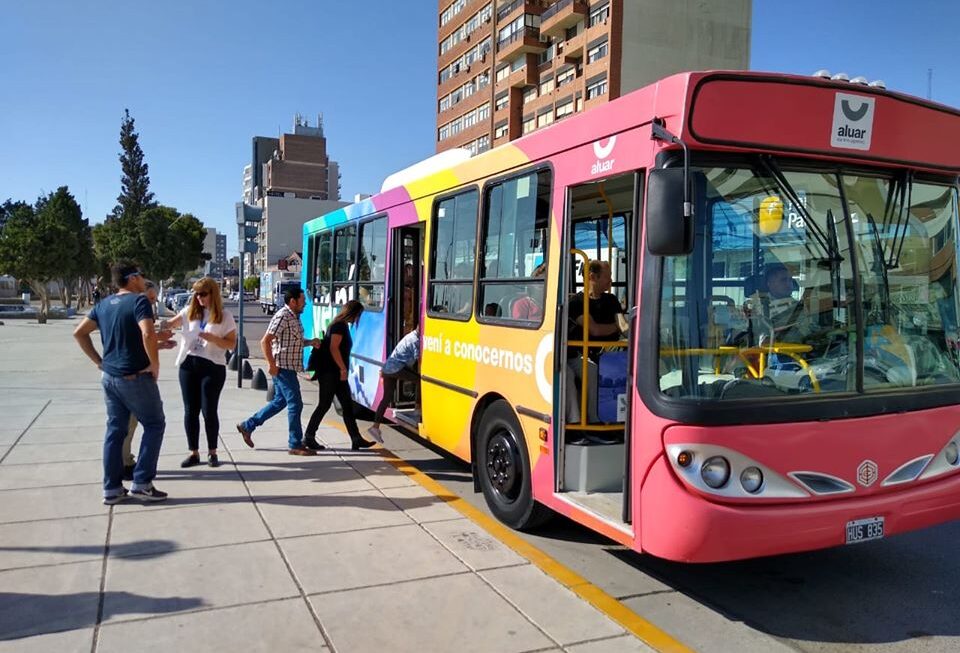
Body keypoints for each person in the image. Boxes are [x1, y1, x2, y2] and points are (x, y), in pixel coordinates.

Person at [73, 262, 167, 504]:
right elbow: (147, 333)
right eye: (141, 276)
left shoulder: (104, 304)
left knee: (115, 431)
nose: (144, 280)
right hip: (134, 376)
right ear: (132, 278)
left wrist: (99, 361)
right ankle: (142, 483)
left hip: (110, 377)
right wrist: (154, 364)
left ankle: (112, 489)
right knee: (154, 424)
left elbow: (79, 332)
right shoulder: (139, 301)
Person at [236, 286, 322, 455]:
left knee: (279, 402)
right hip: (282, 367)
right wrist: (271, 365)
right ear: (293, 301)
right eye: (302, 301)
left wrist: (310, 342)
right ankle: (295, 444)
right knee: (295, 404)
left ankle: (248, 426)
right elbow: (265, 341)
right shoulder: (283, 316)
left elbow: (293, 342)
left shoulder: (294, 317)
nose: (305, 304)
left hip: (288, 367)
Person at [163, 278, 237, 468]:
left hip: (212, 366)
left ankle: (212, 452)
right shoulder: (189, 312)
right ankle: (193, 452)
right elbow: (169, 324)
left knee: (209, 410)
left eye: (203, 294)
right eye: (196, 294)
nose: (199, 298)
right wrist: (160, 326)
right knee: (190, 410)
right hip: (189, 364)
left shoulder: (225, 316)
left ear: (213, 294)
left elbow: (231, 344)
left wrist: (213, 339)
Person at [304, 300, 377, 450]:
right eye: (358, 314)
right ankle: (309, 436)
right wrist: (343, 369)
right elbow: (334, 348)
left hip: (335, 373)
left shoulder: (340, 325)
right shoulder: (339, 326)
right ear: (353, 313)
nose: (358, 318)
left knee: (347, 406)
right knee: (324, 405)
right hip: (331, 373)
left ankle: (356, 439)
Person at [121, 279, 175, 480]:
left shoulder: (127, 309)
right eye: (150, 298)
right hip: (135, 374)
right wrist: (155, 363)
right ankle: (128, 466)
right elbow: (144, 336)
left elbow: (140, 341)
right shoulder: (138, 310)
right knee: (148, 423)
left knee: (128, 423)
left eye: (154, 299)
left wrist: (159, 343)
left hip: (126, 373)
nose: (152, 303)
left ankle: (123, 463)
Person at [566, 260, 625, 424]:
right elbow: (595, 330)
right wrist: (617, 327)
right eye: (607, 276)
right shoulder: (577, 302)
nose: (611, 280)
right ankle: (594, 419)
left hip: (612, 350)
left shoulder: (611, 299)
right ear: (592, 277)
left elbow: (623, 324)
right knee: (592, 371)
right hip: (588, 352)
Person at [367, 329, 420, 443]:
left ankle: (375, 427)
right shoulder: (416, 340)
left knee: (386, 398)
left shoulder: (410, 336)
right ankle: (417, 409)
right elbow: (420, 358)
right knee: (419, 380)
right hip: (397, 368)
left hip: (387, 368)